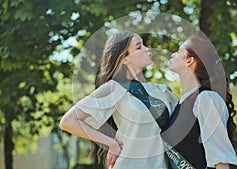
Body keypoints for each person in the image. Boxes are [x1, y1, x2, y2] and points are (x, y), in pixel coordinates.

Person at [59, 30, 178, 169]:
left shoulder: (163, 91)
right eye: (139, 47)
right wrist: (112, 144)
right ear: (124, 59)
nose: (147, 49)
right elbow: (68, 122)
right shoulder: (114, 88)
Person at [162, 36, 237, 169]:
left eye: (179, 51)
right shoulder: (178, 105)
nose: (173, 54)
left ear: (189, 61)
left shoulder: (206, 100)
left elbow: (221, 162)